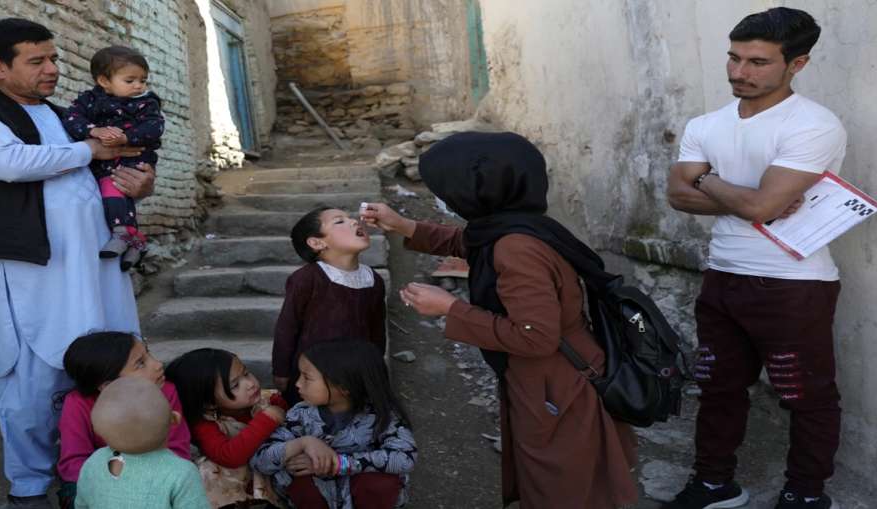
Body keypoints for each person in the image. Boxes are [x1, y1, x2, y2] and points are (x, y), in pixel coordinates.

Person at [361, 131, 638, 509]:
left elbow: (536, 337)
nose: (444, 198)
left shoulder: (516, 248)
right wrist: (404, 225)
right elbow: (470, 243)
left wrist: (450, 308)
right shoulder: (517, 225)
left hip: (558, 386)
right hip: (554, 379)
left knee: (561, 487)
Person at [665, 7, 846, 509]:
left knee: (805, 394)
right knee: (718, 387)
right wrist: (737, 194)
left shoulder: (813, 125)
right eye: (734, 58)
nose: (739, 73)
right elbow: (678, 196)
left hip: (794, 283)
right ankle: (713, 484)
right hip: (723, 275)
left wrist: (706, 179)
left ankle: (806, 494)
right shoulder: (706, 123)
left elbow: (761, 204)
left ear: (797, 64)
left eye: (758, 62)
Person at [0, 18, 155, 508]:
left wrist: (141, 182)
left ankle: (104, 472)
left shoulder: (69, 116)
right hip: (30, 268)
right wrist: (87, 150)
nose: (52, 69)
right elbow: (9, 164)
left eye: (53, 58)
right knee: (31, 379)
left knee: (110, 361)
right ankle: (31, 485)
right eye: (37, 61)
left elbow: (119, 163)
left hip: (96, 265)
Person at [251, 340, 416, 509]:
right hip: (319, 498)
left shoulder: (382, 415)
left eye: (307, 377)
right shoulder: (300, 414)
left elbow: (405, 457)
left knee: (380, 482)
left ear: (343, 387)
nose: (298, 383)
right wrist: (303, 443)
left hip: (361, 495)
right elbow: (260, 461)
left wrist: (337, 464)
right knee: (295, 476)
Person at [57, 332, 191, 508]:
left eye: (148, 353)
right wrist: (117, 485)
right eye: (140, 363)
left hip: (156, 475)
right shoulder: (78, 404)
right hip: (101, 479)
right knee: (73, 493)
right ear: (107, 386)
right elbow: (73, 463)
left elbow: (178, 450)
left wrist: (143, 483)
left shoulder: (165, 392)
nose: (158, 364)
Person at [62, 45, 164, 270]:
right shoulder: (89, 101)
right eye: (130, 80)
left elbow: (154, 127)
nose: (138, 86)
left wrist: (126, 137)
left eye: (143, 80)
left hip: (133, 157)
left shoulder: (146, 103)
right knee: (113, 195)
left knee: (113, 190)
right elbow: (71, 118)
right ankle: (135, 240)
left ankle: (122, 233)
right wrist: (93, 131)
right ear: (104, 81)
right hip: (102, 161)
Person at [272, 207, 386, 405]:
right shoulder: (307, 278)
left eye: (351, 218)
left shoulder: (373, 279)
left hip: (354, 374)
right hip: (313, 373)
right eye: (339, 221)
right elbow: (287, 327)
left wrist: (376, 367)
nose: (353, 222)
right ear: (317, 242)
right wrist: (281, 371)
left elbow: (377, 328)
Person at [165, 348, 288, 508]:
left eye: (246, 373)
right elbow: (228, 456)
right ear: (209, 402)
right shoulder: (205, 424)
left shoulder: (263, 402)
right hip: (236, 491)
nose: (250, 384)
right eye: (235, 385)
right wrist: (268, 419)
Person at [74, 377, 210, 509]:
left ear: (98, 431)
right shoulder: (182, 473)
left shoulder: (94, 461)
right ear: (174, 419)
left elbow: (81, 504)